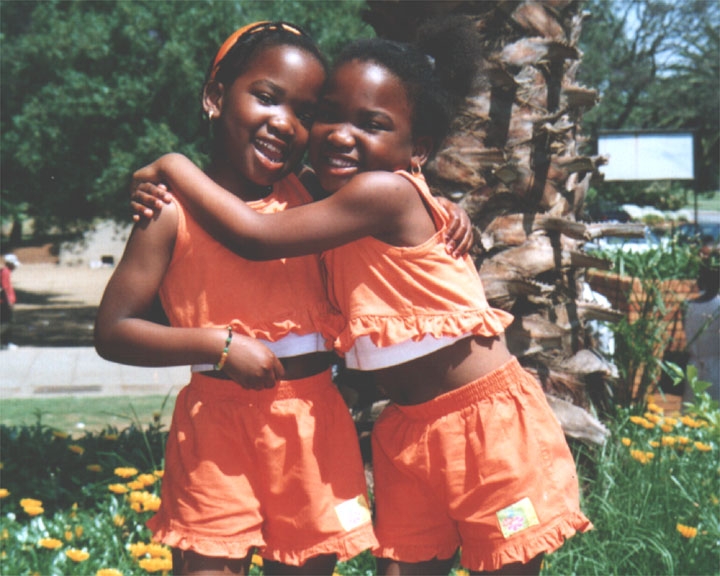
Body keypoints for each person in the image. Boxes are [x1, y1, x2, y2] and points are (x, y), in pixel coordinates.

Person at [132, 17, 592, 575]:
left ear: (417, 148)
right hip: (406, 431)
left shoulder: (379, 192)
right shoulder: (324, 198)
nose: (340, 134)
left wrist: (175, 166)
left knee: (505, 558)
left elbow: (254, 235)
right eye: (326, 114)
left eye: (371, 123)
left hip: (486, 432)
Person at [96, 22, 383, 576]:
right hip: (216, 435)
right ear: (214, 97)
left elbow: (395, 189)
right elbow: (113, 330)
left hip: (314, 427)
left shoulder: (315, 195)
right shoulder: (168, 212)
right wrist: (219, 344)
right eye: (267, 97)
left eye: (304, 111)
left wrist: (448, 211)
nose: (285, 123)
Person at [683, 250, 720, 406]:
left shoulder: (686, 306)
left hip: (693, 367)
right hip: (716, 368)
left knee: (692, 413)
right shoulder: (718, 306)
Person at [1, 253, 20, 349]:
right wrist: (9, 302)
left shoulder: (6, 271)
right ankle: (5, 343)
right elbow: (5, 288)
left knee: (7, 322)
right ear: (10, 264)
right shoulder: (5, 272)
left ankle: (5, 343)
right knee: (6, 322)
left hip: (7, 301)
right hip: (4, 302)